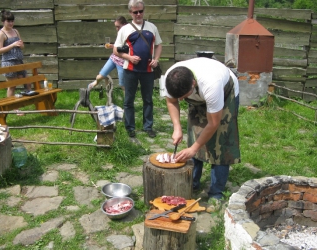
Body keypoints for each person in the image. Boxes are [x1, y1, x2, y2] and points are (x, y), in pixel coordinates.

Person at [164, 57, 241, 213]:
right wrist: (177, 127)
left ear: (193, 83)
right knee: (194, 136)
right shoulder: (170, 78)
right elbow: (172, 101)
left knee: (221, 144)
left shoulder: (212, 84)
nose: (181, 100)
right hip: (200, 95)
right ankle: (192, 183)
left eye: (184, 96)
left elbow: (213, 123)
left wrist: (194, 148)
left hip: (225, 94)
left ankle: (216, 193)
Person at [113, 0, 162, 138]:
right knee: (129, 100)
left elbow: (158, 45)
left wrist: (156, 60)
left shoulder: (152, 27)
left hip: (148, 70)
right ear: (130, 13)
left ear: (144, 11)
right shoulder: (124, 29)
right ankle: (130, 128)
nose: (139, 14)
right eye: (135, 12)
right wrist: (129, 58)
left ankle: (148, 127)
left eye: (141, 11)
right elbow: (116, 50)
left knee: (148, 99)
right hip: (130, 70)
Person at [88, 16, 127, 96]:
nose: (117, 29)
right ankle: (96, 83)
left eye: (118, 26)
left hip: (122, 62)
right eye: (115, 27)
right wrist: (112, 46)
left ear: (124, 24)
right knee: (99, 77)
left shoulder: (129, 33)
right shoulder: (119, 32)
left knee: (123, 85)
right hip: (113, 58)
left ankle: (128, 104)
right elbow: (118, 46)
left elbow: (126, 48)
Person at [0, 9, 30, 97]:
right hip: (9, 62)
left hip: (19, 61)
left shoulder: (15, 31)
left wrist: (20, 45)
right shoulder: (1, 34)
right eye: (8, 21)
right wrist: (12, 45)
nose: (11, 23)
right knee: (12, 86)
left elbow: (22, 46)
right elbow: (0, 50)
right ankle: (14, 107)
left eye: (12, 21)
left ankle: (28, 101)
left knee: (27, 82)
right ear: (3, 22)